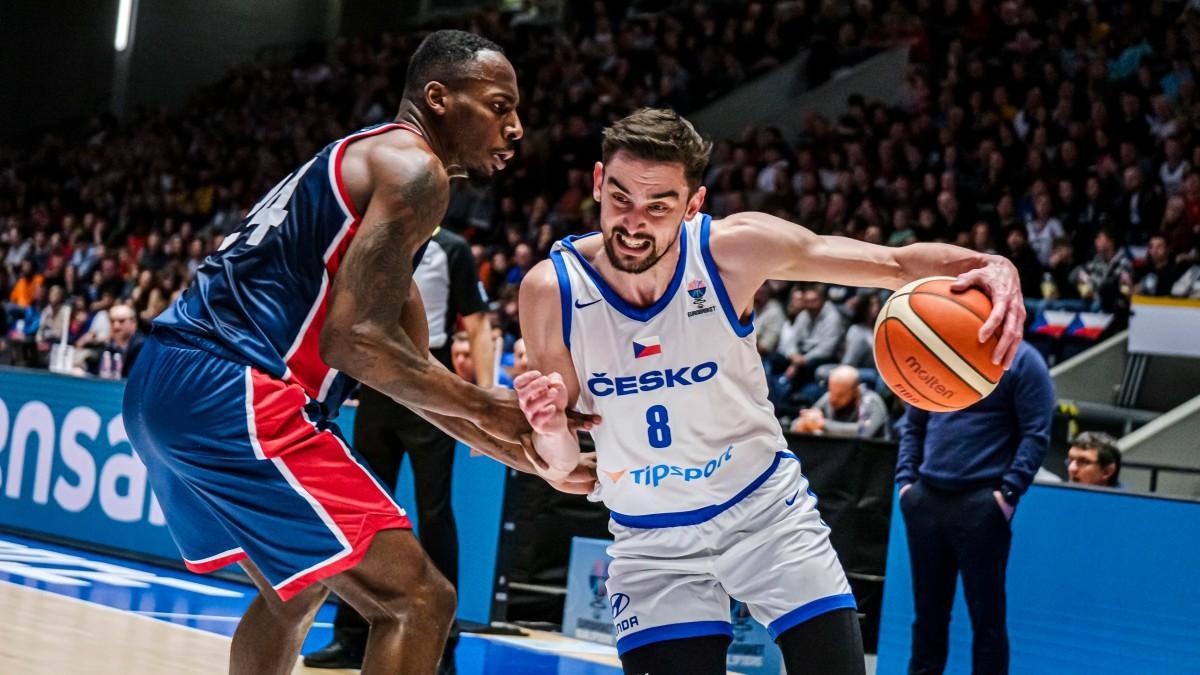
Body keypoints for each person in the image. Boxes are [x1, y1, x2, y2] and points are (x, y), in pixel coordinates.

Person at [122, 31, 595, 675]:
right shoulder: (416, 170)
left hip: (165, 380)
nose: (515, 128)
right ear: (438, 97)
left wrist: (522, 452)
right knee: (419, 602)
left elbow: (407, 367)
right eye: (498, 106)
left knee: (301, 584)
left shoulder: (368, 163)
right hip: (234, 384)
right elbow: (353, 343)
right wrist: (489, 407)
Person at [514, 108, 1025, 675]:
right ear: (596, 184)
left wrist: (991, 263)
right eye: (620, 199)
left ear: (693, 205)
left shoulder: (732, 251)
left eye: (658, 206)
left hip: (764, 514)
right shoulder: (550, 290)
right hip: (650, 541)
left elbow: (894, 264)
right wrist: (550, 428)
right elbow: (562, 468)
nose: (633, 222)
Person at [305, 225, 494, 671]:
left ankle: (442, 646)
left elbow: (479, 323)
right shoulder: (381, 243)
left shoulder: (453, 250)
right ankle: (350, 635)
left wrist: (484, 401)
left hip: (430, 383)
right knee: (363, 511)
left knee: (434, 511)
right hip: (378, 382)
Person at [896, 341, 1054, 675]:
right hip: (927, 499)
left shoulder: (1024, 360)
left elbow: (1036, 433)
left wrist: (1007, 494)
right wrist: (907, 484)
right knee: (927, 617)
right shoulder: (939, 347)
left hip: (981, 504)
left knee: (988, 619)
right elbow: (914, 423)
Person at [793, 366, 890, 440]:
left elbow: (863, 432)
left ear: (855, 392)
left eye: (840, 396)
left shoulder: (871, 401)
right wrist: (803, 424)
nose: (833, 399)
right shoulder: (830, 396)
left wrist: (822, 424)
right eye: (831, 391)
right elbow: (801, 423)